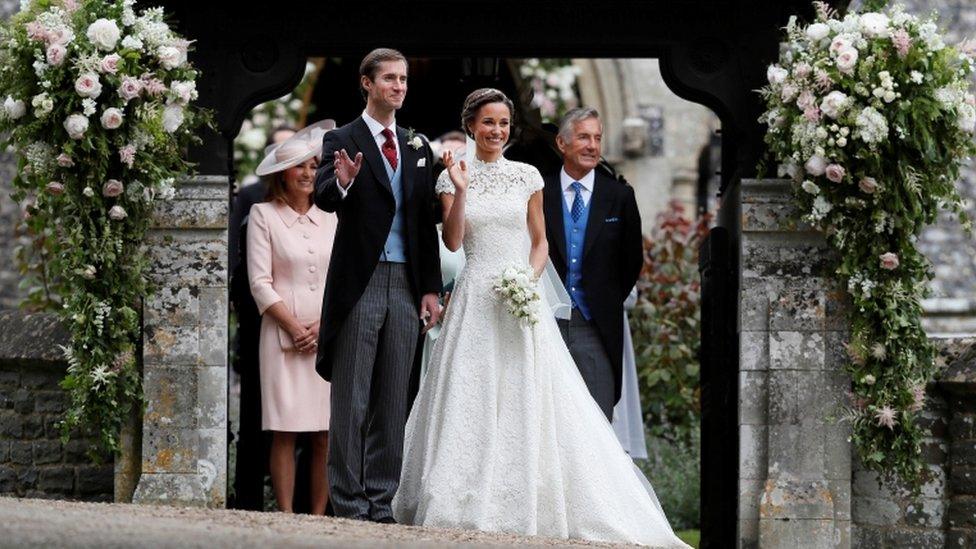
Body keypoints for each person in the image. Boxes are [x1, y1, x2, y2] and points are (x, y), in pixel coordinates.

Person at [392, 88, 688, 547]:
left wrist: (527, 281)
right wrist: (463, 190)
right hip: (474, 299)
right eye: (488, 122)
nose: (496, 131)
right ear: (471, 125)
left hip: (518, 298)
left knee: (529, 395)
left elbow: (541, 242)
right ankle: (462, 501)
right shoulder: (451, 178)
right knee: (471, 396)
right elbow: (452, 243)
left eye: (504, 123)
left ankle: (535, 498)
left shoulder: (529, 176)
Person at [313, 48, 442, 523]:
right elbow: (324, 198)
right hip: (361, 282)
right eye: (389, 78)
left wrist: (430, 289)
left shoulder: (417, 146)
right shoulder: (340, 139)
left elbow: (424, 224)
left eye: (404, 79)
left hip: (407, 284)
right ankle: (347, 503)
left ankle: (381, 501)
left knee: (393, 398)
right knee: (350, 398)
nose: (399, 86)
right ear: (366, 83)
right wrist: (342, 182)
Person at [247, 120, 337, 514]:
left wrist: (323, 326)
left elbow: (342, 278)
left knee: (324, 433)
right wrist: (294, 326)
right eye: (299, 166)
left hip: (327, 336)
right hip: (281, 338)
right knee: (284, 430)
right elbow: (259, 282)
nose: (307, 173)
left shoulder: (334, 217)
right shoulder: (263, 214)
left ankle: (317, 517)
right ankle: (285, 514)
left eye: (314, 165)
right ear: (282, 173)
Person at [542, 107, 644, 420]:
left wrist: (605, 298)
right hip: (547, 324)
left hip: (596, 326)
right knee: (548, 419)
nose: (592, 146)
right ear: (562, 143)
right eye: (584, 137)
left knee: (597, 422)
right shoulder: (537, 193)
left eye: (597, 138)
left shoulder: (619, 197)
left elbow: (631, 260)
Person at [229, 125, 296, 511]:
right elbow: (241, 262)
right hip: (261, 319)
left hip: (305, 323)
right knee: (256, 414)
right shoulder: (254, 198)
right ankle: (249, 495)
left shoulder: (315, 200)